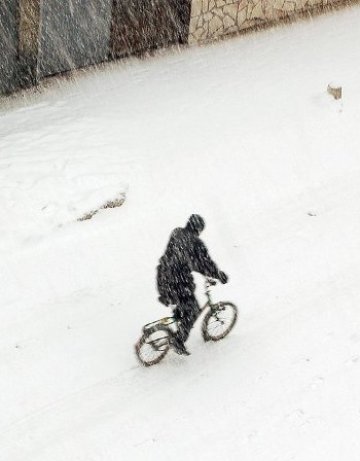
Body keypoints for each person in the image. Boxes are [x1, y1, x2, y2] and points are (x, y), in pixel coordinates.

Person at [156, 214, 228, 355]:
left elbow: (185, 259)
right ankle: (178, 340)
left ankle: (179, 315)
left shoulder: (176, 232)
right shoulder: (196, 244)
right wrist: (218, 274)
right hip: (178, 282)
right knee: (193, 310)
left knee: (183, 305)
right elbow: (205, 264)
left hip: (162, 277)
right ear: (199, 229)